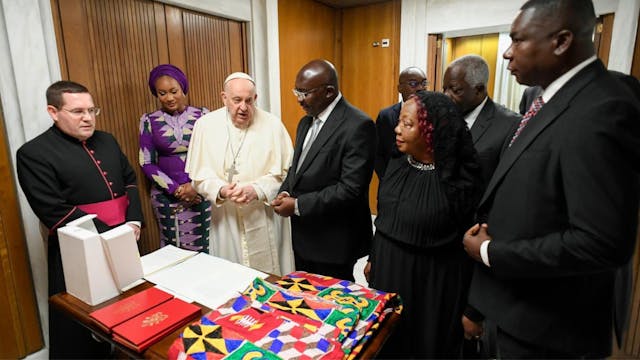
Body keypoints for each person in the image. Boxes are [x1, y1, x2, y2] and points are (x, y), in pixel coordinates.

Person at [462, 0, 640, 358]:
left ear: (560, 41)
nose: (507, 54)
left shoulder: (603, 109)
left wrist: (491, 252)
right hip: (515, 308)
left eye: (518, 40)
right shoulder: (542, 97)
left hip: (548, 328)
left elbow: (599, 243)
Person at [16, 80, 144, 358]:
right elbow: (53, 210)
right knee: (81, 325)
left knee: (131, 312)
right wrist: (111, 235)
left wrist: (133, 221)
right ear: (53, 111)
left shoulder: (107, 140)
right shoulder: (33, 153)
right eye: (77, 112)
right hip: (77, 251)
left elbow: (130, 181)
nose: (88, 118)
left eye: (91, 110)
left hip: (125, 237)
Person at [366, 90, 482, 358]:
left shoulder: (460, 180)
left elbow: (473, 253)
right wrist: (374, 257)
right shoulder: (397, 163)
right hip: (388, 273)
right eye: (399, 121)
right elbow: (385, 218)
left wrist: (474, 309)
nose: (397, 129)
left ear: (431, 131)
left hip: (431, 286)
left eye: (407, 124)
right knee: (387, 345)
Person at [272, 59, 376, 282]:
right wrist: (285, 191)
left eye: (305, 93)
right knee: (306, 300)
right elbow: (297, 168)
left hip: (333, 241)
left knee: (331, 307)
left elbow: (350, 189)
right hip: (304, 236)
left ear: (329, 92)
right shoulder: (305, 122)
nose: (299, 99)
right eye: (296, 91)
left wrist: (298, 205)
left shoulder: (358, 125)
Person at [185, 72, 294, 275]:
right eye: (237, 100)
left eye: (248, 100)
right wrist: (221, 190)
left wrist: (258, 190)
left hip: (264, 216)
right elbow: (199, 177)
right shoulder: (206, 126)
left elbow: (285, 175)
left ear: (255, 99)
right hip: (228, 219)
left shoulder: (272, 125)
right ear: (224, 97)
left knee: (272, 280)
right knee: (232, 279)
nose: (243, 107)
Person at [139, 64, 211, 252]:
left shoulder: (203, 116)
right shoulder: (148, 121)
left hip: (199, 193)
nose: (169, 98)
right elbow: (146, 162)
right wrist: (176, 189)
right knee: (173, 251)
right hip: (166, 197)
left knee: (203, 248)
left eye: (174, 91)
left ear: (183, 89)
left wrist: (194, 186)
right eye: (162, 93)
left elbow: (213, 156)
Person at [443, 54, 520, 189]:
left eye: (455, 90)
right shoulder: (442, 116)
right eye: (444, 89)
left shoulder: (511, 125)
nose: (446, 96)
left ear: (479, 89)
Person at [375, 66, 427, 178]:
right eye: (413, 84)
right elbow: (377, 153)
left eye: (424, 83)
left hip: (422, 182)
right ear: (400, 88)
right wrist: (386, 179)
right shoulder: (386, 116)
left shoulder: (433, 115)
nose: (420, 88)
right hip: (391, 182)